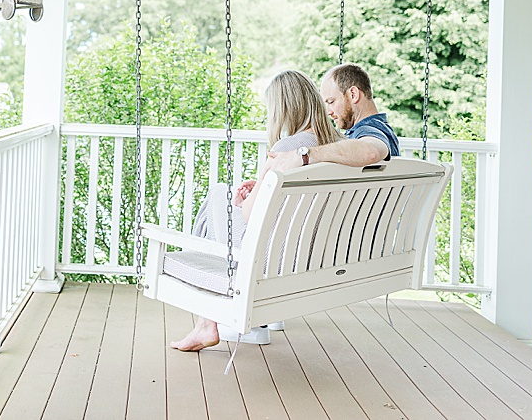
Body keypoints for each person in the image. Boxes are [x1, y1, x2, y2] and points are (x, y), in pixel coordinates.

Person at [170, 69, 340, 352]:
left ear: (284, 108)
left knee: (219, 194)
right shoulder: (336, 144)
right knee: (223, 198)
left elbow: (250, 216)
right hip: (310, 255)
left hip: (272, 258)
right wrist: (260, 186)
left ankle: (206, 321)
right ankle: (208, 320)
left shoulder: (290, 148)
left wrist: (240, 201)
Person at [266, 63, 400, 173]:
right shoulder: (382, 129)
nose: (328, 112)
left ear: (353, 94)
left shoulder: (368, 131)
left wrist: (304, 155)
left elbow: (371, 152)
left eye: (331, 102)